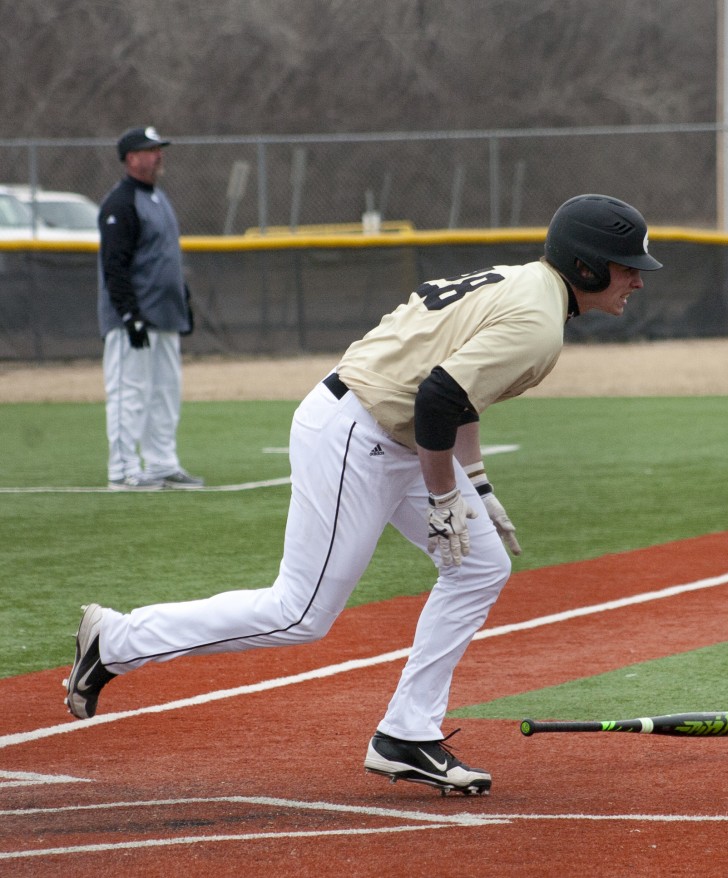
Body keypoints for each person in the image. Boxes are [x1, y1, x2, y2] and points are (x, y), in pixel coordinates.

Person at [65, 194, 663, 796]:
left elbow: (459, 395)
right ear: (585, 267)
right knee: (299, 613)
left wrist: (474, 483)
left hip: (390, 430)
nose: (637, 278)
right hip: (358, 434)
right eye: (625, 265)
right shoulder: (537, 323)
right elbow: (437, 398)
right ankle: (116, 640)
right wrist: (443, 500)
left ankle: (407, 732)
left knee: (481, 566)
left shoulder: (525, 284)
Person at [98, 126, 203, 490]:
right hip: (135, 320)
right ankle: (123, 469)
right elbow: (115, 265)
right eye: (150, 150)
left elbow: (166, 260)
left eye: (159, 149)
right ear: (131, 158)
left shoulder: (157, 198)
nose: (158, 155)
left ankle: (161, 464)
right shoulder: (121, 203)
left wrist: (183, 304)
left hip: (164, 318)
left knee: (164, 394)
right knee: (130, 392)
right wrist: (129, 314)